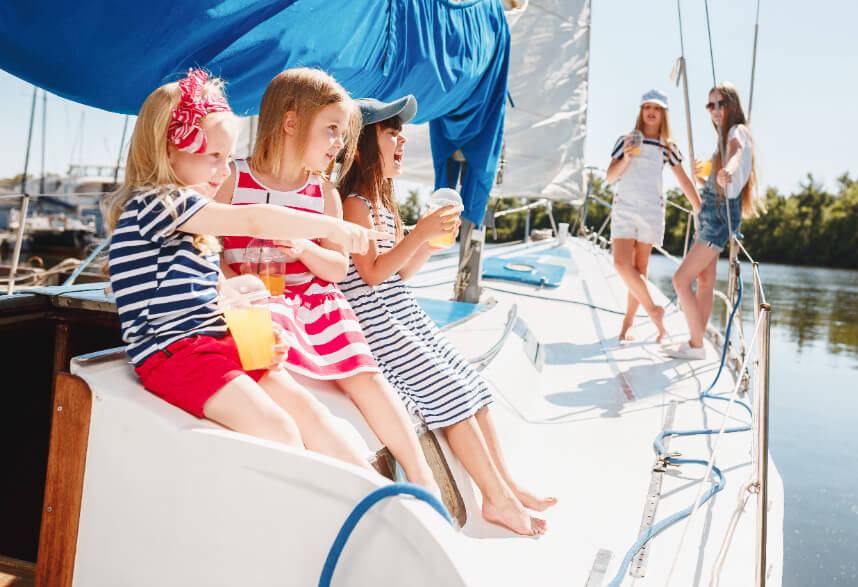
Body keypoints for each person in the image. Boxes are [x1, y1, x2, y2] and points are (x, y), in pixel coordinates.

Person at [104, 69, 389, 474]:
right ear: (169, 151)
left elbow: (215, 294)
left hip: (211, 343)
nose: (224, 170)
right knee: (279, 430)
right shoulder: (159, 203)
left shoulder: (189, 225)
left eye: (227, 156)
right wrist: (332, 227)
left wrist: (247, 329)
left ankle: (374, 496)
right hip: (174, 355)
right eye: (213, 157)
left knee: (310, 413)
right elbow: (253, 220)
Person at [338, 95, 556, 536]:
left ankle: (507, 486)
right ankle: (494, 500)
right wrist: (419, 232)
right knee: (447, 390)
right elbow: (373, 274)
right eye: (390, 132)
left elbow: (401, 270)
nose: (401, 140)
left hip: (401, 313)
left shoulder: (384, 203)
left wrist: (428, 241)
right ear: (361, 145)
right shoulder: (354, 203)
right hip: (377, 324)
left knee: (470, 381)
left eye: (401, 133)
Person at [216, 67, 437, 494]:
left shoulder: (324, 194)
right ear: (291, 122)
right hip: (258, 300)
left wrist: (304, 247)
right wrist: (233, 285)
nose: (340, 143)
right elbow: (207, 246)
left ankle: (421, 474)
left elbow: (337, 269)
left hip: (314, 301)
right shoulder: (233, 179)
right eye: (332, 129)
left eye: (343, 132)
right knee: (272, 361)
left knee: (366, 375)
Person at [666, 82, 762, 360]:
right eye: (710, 105)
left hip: (718, 218)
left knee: (680, 280)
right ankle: (696, 340)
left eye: (720, 104)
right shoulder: (724, 137)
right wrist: (706, 179)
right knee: (705, 281)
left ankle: (696, 346)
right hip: (715, 213)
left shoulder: (737, 131)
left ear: (732, 105)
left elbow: (736, 154)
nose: (714, 110)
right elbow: (726, 168)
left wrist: (726, 172)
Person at [606, 89, 700, 343]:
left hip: (650, 210)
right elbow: (611, 176)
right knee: (621, 264)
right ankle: (653, 310)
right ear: (641, 110)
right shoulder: (625, 140)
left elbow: (683, 180)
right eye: (647, 106)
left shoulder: (667, 147)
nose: (651, 111)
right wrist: (626, 156)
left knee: (640, 268)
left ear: (663, 114)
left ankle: (627, 326)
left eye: (657, 108)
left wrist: (700, 208)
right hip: (625, 206)